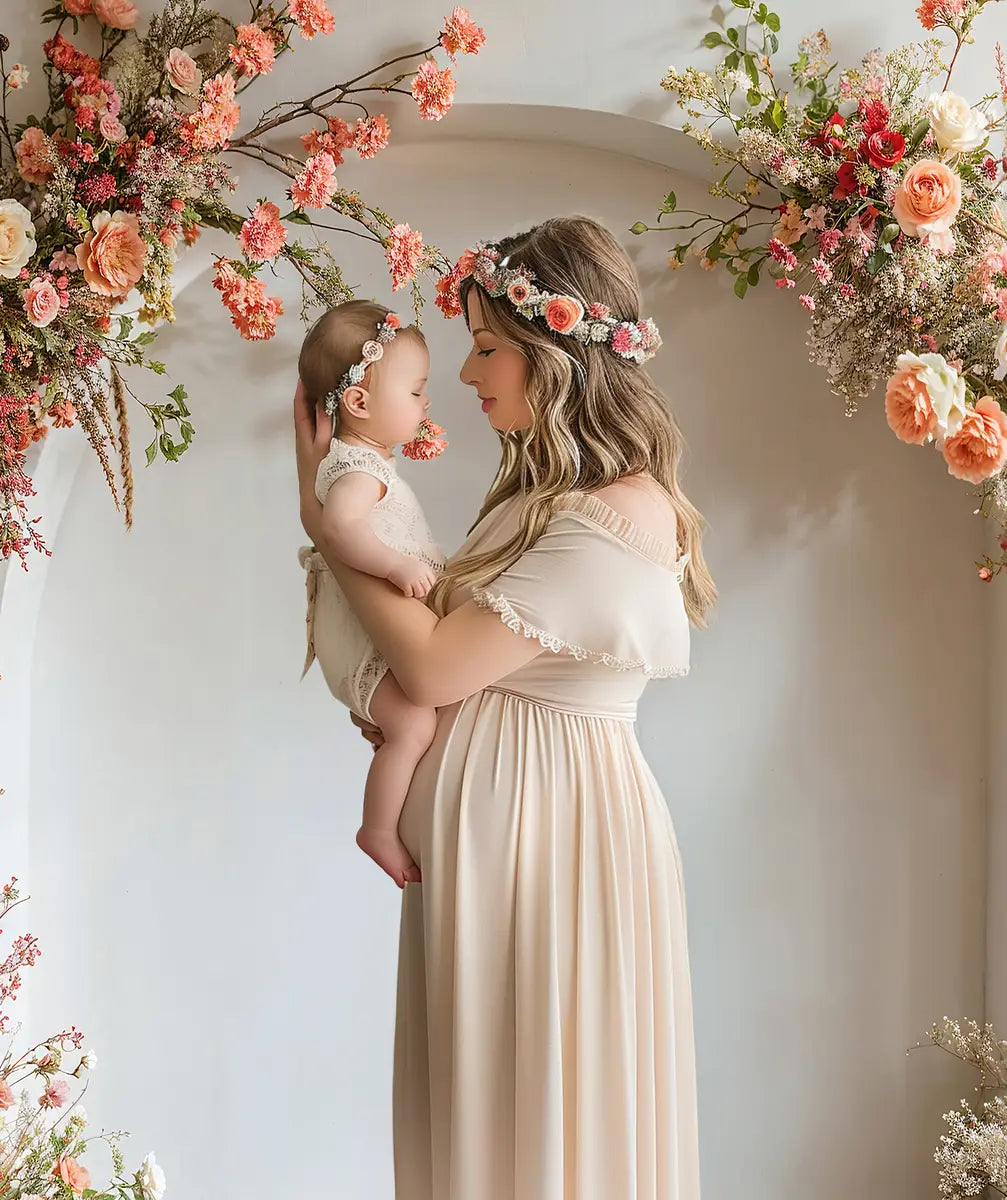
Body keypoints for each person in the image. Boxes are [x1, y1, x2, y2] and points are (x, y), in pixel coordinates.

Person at [293, 215, 716, 1198]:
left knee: (543, 1136)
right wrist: (340, 524)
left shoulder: (613, 516)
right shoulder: (549, 498)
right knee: (494, 1133)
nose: (470, 375)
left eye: (487, 349)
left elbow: (436, 667)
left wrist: (326, 526)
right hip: (504, 856)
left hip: (555, 852)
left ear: (554, 353)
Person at [297, 300, 448, 889]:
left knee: (412, 723)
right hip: (362, 639)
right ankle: (377, 829)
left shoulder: (362, 462)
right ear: (359, 403)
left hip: (369, 633)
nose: (425, 402)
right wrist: (393, 565)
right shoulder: (358, 471)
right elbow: (336, 531)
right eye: (415, 392)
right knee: (412, 726)